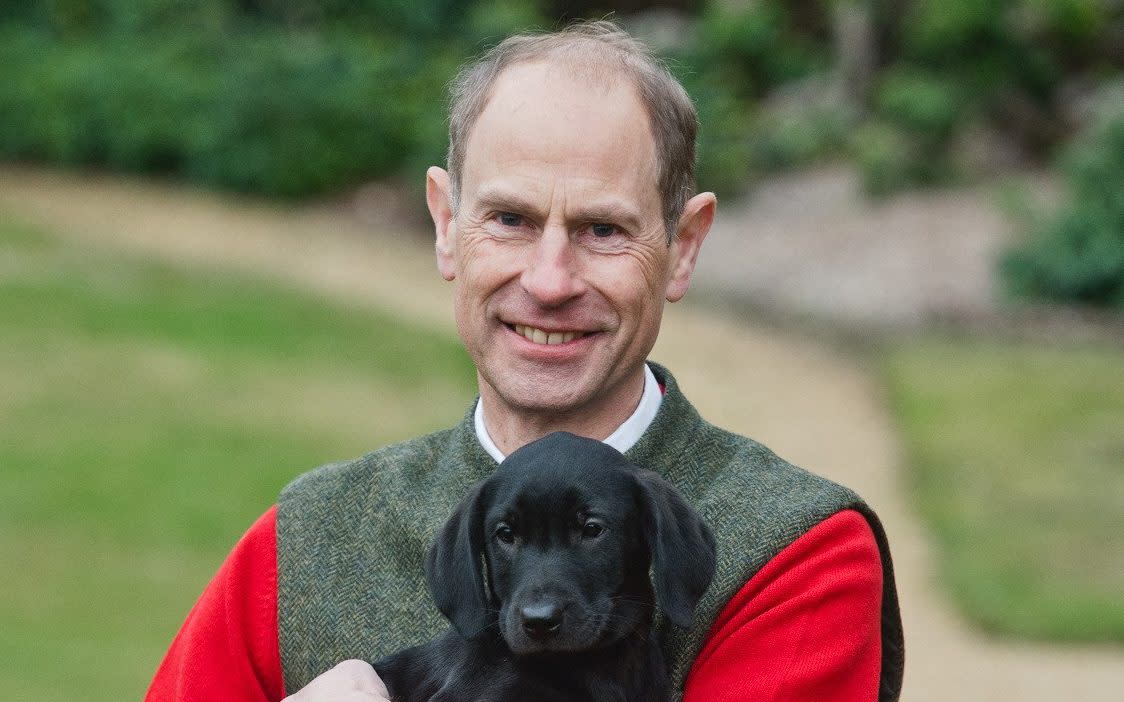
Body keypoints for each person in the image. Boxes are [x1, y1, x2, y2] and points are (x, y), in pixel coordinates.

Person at [146, 20, 903, 702]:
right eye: (509, 219)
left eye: (603, 229)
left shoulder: (796, 554)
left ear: (684, 248)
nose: (548, 281)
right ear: (446, 225)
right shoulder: (303, 541)